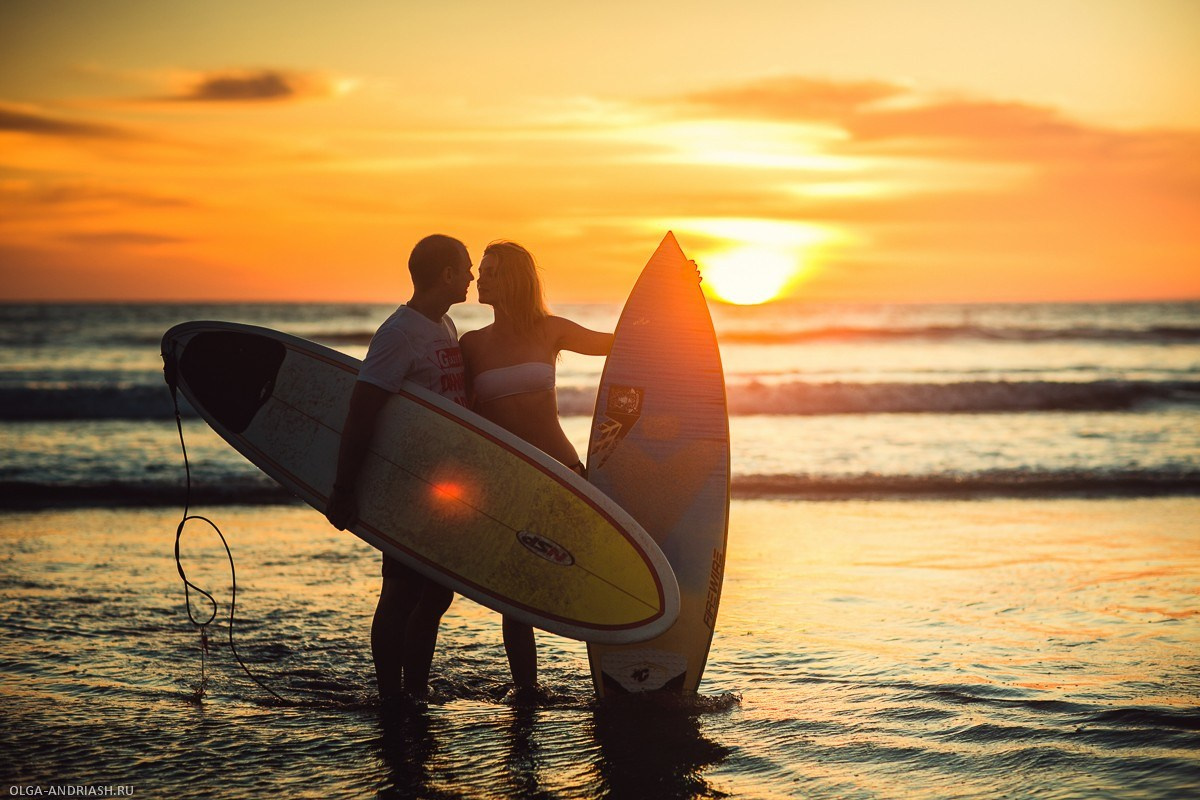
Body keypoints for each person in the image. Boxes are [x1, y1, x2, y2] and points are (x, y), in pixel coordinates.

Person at [459, 240, 613, 694]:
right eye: (480, 270)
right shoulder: (471, 345)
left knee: (593, 575)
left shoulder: (551, 330)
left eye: (489, 271)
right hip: (510, 482)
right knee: (516, 596)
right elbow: (458, 415)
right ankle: (526, 690)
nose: (479, 279)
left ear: (512, 279)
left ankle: (616, 676)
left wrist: (673, 302)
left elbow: (620, 345)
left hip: (564, 473)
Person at [325, 234, 474, 701]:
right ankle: (392, 695)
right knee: (402, 591)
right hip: (408, 483)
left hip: (442, 486)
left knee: (436, 594)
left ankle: (415, 690)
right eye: (465, 267)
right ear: (446, 274)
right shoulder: (398, 334)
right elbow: (362, 410)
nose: (471, 275)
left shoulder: (444, 325)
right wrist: (344, 489)